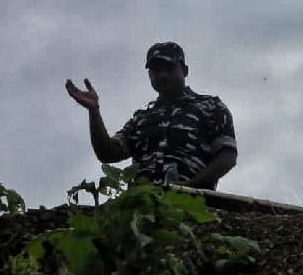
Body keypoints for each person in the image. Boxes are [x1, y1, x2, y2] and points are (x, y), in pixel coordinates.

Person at [66, 42, 237, 190]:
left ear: (184, 70)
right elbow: (108, 153)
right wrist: (94, 112)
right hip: (143, 208)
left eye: (169, 68)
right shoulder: (142, 119)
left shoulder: (210, 107)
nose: (162, 75)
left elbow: (227, 156)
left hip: (193, 205)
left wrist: (191, 186)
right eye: (156, 70)